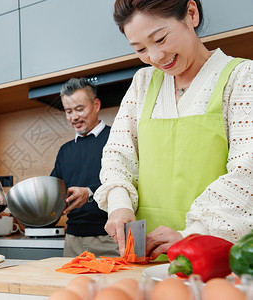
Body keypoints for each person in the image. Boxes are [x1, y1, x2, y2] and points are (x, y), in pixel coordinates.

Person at [94, 0, 253, 260]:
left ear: (191, 14)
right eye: (140, 49)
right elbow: (118, 155)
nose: (155, 57)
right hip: (148, 259)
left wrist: (192, 233)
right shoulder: (142, 83)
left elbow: (248, 172)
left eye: (160, 39)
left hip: (213, 258)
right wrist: (119, 206)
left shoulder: (243, 77)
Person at [51, 77, 119, 257]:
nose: (74, 117)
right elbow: (52, 192)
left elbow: (131, 181)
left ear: (96, 105)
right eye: (68, 111)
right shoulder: (65, 151)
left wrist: (89, 192)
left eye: (79, 109)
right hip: (72, 240)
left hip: (110, 239)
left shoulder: (117, 139)